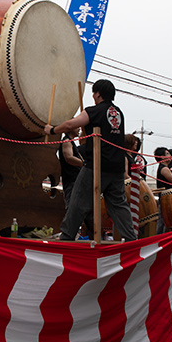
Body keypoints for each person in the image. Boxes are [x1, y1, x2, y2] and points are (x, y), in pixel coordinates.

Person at [45, 79, 134, 242]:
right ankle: (130, 238)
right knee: (118, 205)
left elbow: (70, 124)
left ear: (98, 94)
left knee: (78, 201)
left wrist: (52, 129)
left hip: (97, 165)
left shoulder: (94, 111)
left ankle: (67, 236)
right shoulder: (118, 112)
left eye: (94, 93)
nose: (93, 96)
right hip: (116, 167)